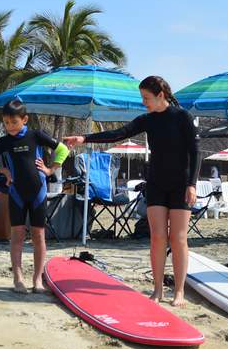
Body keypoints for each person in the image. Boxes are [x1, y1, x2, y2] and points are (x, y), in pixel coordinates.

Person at [64, 75, 198, 305]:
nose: (143, 102)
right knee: (157, 238)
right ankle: (157, 290)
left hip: (181, 185)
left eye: (146, 97)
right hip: (156, 183)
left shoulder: (182, 117)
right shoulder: (148, 120)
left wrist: (192, 184)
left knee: (178, 239)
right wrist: (83, 138)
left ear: (160, 95)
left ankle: (179, 292)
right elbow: (118, 133)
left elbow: (195, 152)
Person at [0, 99, 70, 293]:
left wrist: (50, 169)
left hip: (38, 193)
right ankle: (18, 278)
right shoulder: (4, 142)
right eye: (6, 123)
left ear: (24, 119)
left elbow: (63, 149)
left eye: (14, 122)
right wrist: (2, 170)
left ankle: (37, 279)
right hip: (16, 193)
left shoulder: (35, 136)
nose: (10, 126)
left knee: (39, 235)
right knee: (17, 236)